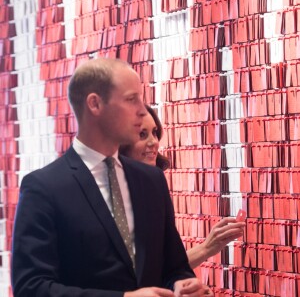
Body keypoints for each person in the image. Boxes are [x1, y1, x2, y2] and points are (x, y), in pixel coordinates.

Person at [11, 58, 213, 297]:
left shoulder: (152, 181)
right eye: (131, 99)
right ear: (95, 104)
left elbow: (174, 267)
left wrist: (183, 284)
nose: (142, 109)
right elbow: (31, 287)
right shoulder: (44, 188)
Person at [120, 105, 245, 269]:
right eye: (142, 134)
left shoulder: (152, 190)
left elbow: (163, 268)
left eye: (155, 133)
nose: (154, 142)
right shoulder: (112, 197)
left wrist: (208, 247)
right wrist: (206, 248)